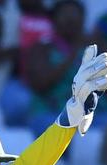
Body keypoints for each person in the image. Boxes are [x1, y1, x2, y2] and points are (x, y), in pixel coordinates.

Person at [25, 0, 97, 133]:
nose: (70, 21)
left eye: (74, 16)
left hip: (89, 114)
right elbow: (41, 83)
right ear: (54, 20)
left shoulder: (95, 45)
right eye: (65, 15)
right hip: (50, 111)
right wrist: (72, 56)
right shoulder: (42, 47)